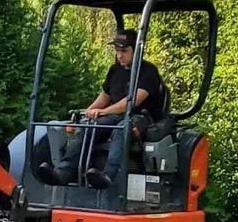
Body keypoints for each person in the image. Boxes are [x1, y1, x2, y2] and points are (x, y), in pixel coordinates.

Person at [39, 29, 166, 189]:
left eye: (124, 51)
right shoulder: (115, 70)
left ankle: (107, 176)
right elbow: (105, 96)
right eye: (117, 51)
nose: (120, 55)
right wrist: (88, 112)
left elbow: (131, 102)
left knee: (122, 128)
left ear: (137, 50)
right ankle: (63, 172)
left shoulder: (148, 72)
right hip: (116, 115)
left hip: (142, 118)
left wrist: (103, 112)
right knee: (89, 126)